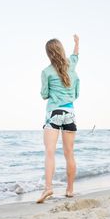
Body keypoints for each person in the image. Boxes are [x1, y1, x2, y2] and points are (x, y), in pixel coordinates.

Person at [36, 34, 80, 203]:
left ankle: (48, 188)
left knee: (50, 153)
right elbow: (75, 56)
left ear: (48, 54)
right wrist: (77, 42)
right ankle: (70, 190)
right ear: (61, 50)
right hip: (70, 113)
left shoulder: (46, 72)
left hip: (53, 113)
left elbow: (44, 94)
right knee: (69, 153)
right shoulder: (72, 67)